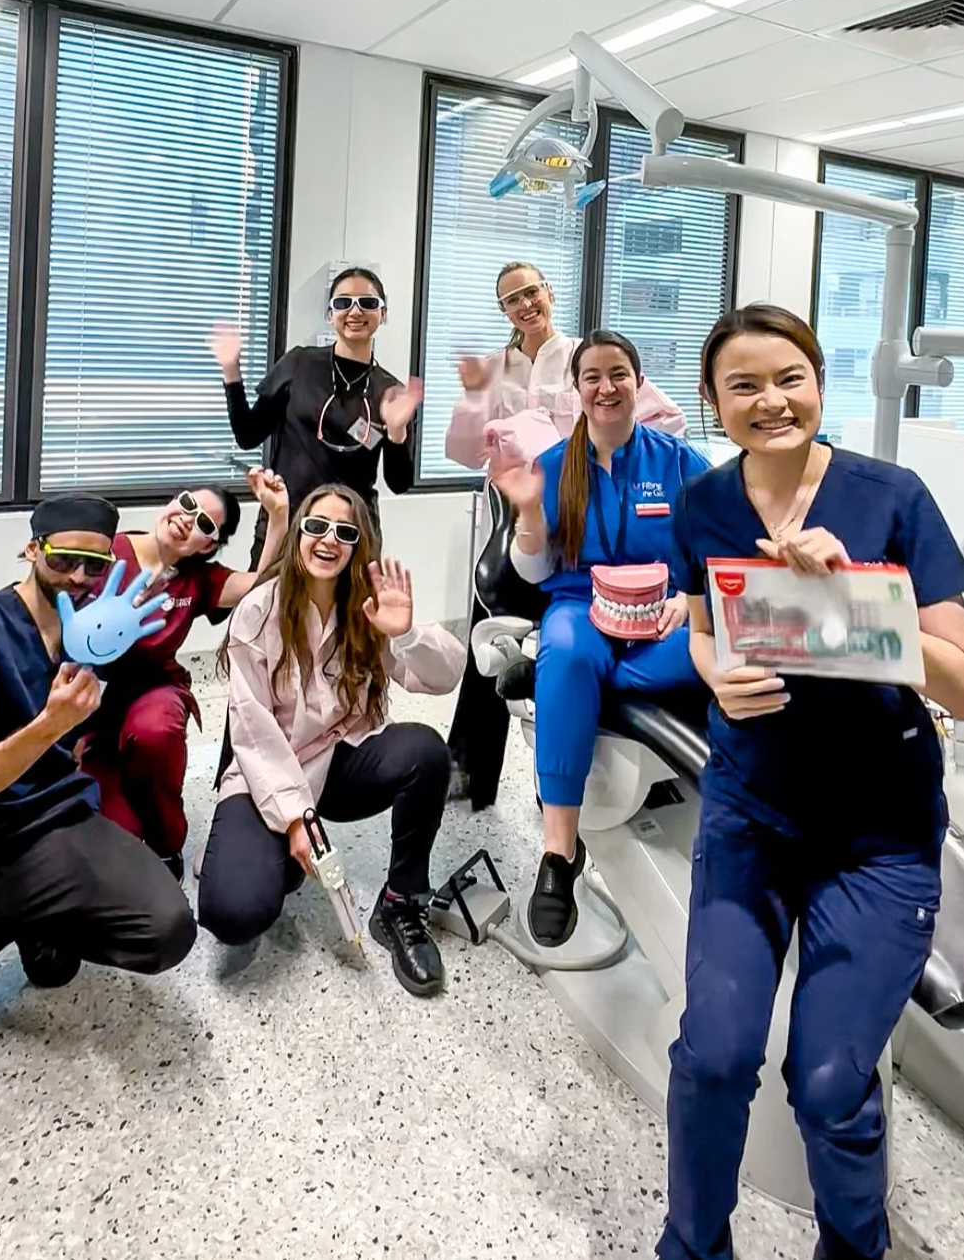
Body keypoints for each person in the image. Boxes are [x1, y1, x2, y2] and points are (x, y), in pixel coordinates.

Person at [657, 303, 964, 1260]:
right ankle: (692, 1248)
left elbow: (957, 675)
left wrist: (853, 605)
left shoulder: (892, 497)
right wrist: (710, 672)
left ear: (819, 383)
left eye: (788, 377)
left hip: (878, 835)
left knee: (829, 1081)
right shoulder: (705, 504)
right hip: (751, 814)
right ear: (712, 401)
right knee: (712, 1059)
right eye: (742, 384)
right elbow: (703, 624)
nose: (770, 399)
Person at [0, 494, 197, 1064]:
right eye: (64, 560)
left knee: (168, 929)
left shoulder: (87, 638)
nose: (79, 578)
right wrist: (51, 724)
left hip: (47, 829)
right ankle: (22, 918)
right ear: (32, 549)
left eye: (96, 566)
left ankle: (37, 916)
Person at [197, 485, 465, 997]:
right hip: (267, 777)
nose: (327, 540)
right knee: (232, 912)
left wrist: (405, 634)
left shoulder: (367, 610)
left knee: (426, 753)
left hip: (339, 765)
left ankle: (401, 904)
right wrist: (295, 819)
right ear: (298, 532)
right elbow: (251, 731)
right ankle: (276, 855)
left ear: (357, 546)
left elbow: (443, 675)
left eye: (344, 532)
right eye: (316, 526)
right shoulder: (257, 611)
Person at [444, 261, 687, 811]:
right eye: (512, 299)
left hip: (582, 508)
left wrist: (585, 448)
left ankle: (586, 775)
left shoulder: (588, 357)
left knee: (595, 636)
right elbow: (458, 451)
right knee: (495, 644)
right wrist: (472, 404)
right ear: (502, 310)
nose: (525, 304)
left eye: (531, 292)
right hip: (513, 516)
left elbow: (668, 423)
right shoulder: (493, 369)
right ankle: (468, 778)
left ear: (549, 293)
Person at [494, 329, 709, 948]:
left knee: (704, 647)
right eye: (592, 376)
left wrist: (685, 601)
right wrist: (530, 517)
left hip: (661, 616)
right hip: (579, 605)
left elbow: (719, 553)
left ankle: (557, 676)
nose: (606, 386)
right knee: (571, 650)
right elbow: (534, 572)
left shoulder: (678, 463)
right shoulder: (556, 466)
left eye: (619, 374)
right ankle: (559, 852)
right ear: (578, 388)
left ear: (639, 383)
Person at [76, 471, 290, 880]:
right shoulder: (108, 548)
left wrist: (277, 516)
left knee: (156, 732)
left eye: (204, 524)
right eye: (188, 504)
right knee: (103, 834)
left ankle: (165, 846)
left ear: (208, 544)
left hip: (151, 691)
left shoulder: (196, 580)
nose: (188, 519)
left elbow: (262, 587)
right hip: (88, 698)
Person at [209, 267, 422, 565]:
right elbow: (248, 435)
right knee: (270, 610)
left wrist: (397, 431)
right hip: (286, 525)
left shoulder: (390, 394)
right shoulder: (299, 364)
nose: (355, 311)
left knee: (346, 614)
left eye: (368, 303)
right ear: (329, 314)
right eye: (343, 302)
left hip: (350, 536)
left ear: (383, 314)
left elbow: (398, 483)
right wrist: (231, 370)